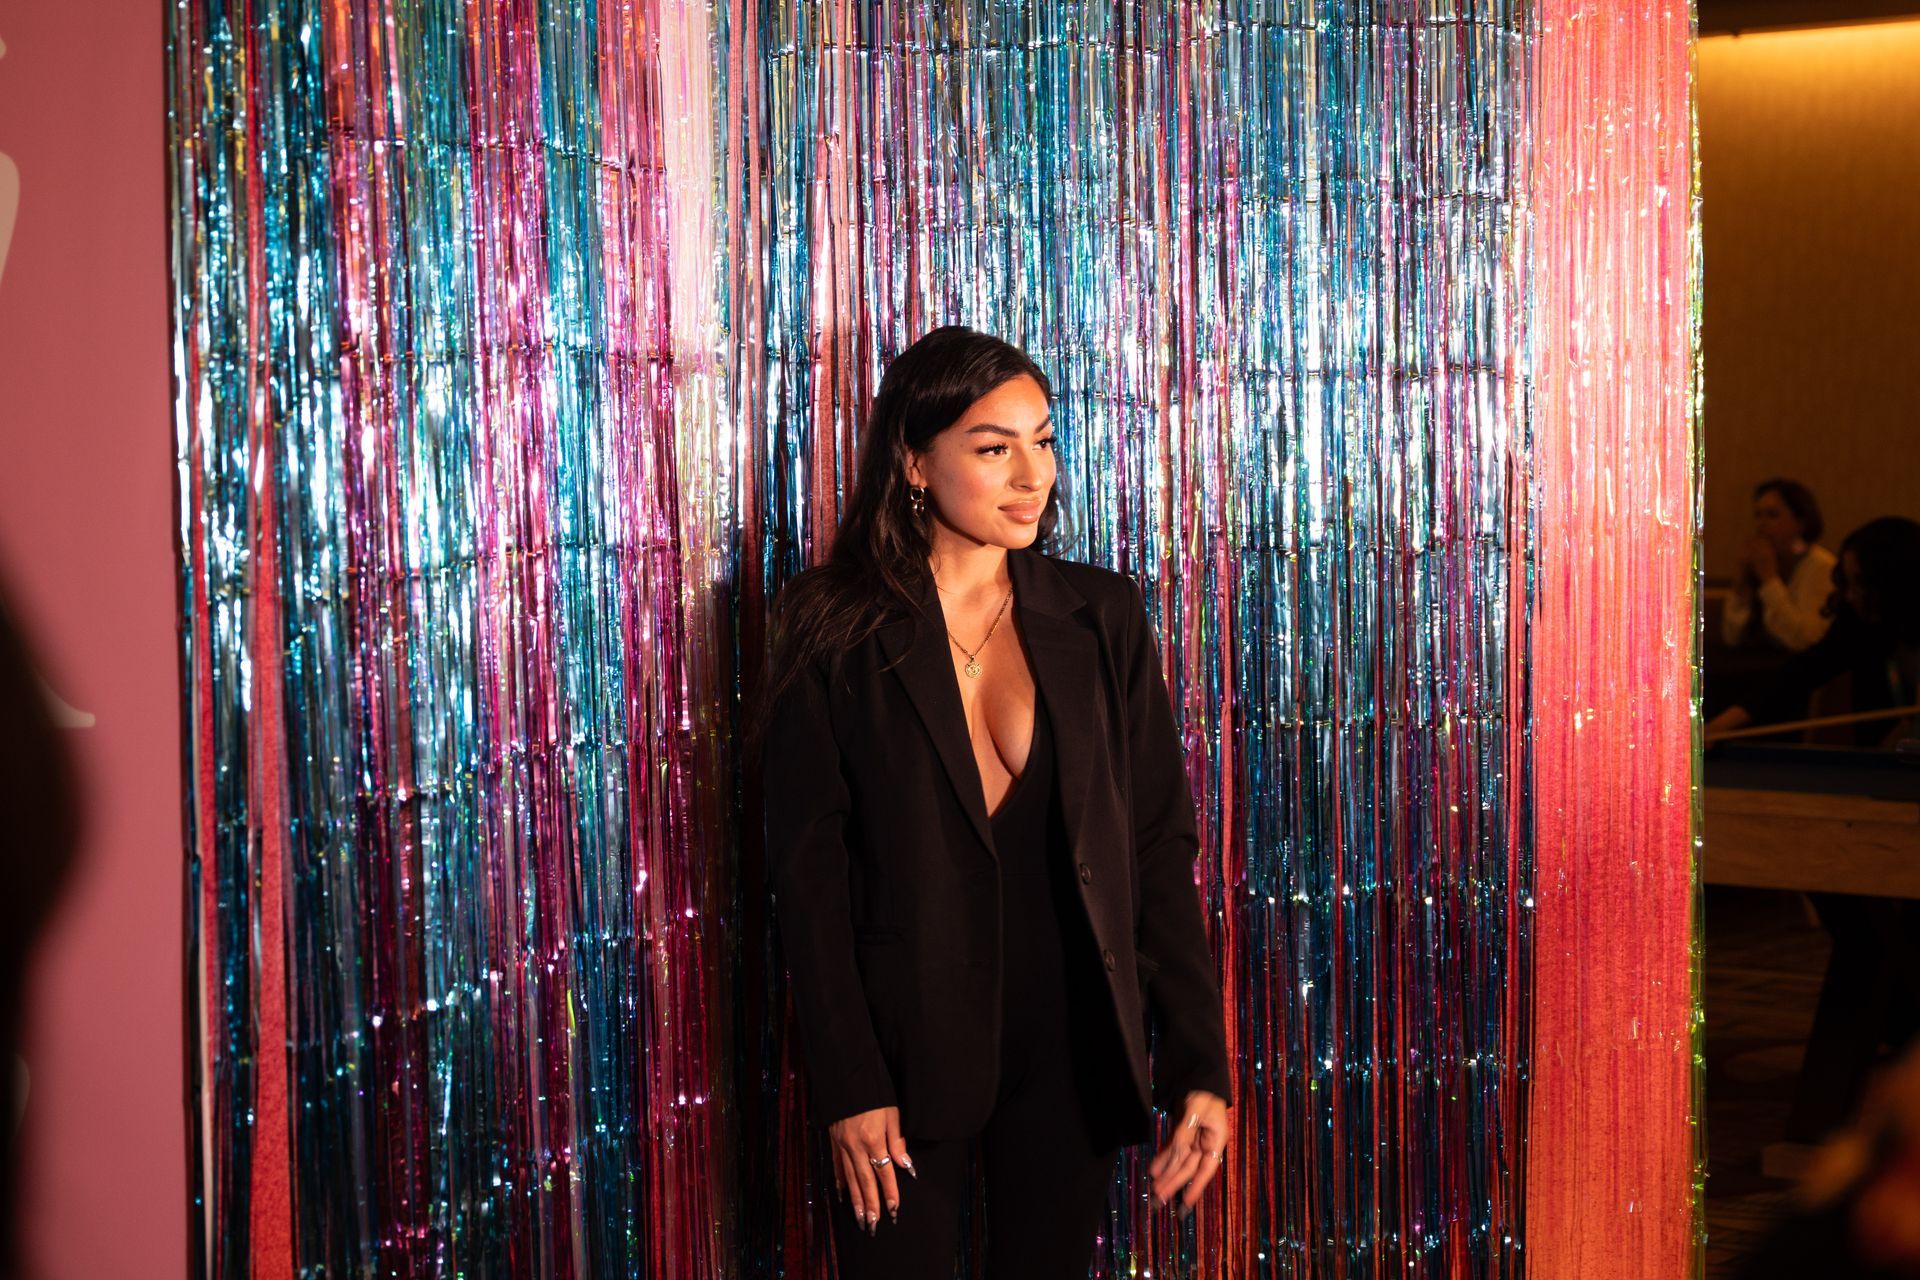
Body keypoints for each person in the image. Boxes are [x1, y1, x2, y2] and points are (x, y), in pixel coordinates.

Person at [749, 325, 1233, 1277]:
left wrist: (1197, 1067)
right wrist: (850, 1083)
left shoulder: (1103, 615)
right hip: (902, 1054)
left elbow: (1152, 848)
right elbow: (807, 881)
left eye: (1042, 441)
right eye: (992, 446)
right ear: (915, 462)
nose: (1031, 475)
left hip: (1074, 1048)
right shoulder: (829, 624)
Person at [1706, 516, 1920, 747]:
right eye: (1847, 582)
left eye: (1861, 582)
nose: (1850, 595)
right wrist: (1719, 726)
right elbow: (1800, 673)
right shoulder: (1859, 621)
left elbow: (1801, 636)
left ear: (1894, 582)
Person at [1720, 478, 1838, 654]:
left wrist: (1770, 581)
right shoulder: (1761, 562)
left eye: (1772, 515)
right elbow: (1731, 637)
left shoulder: (1821, 566)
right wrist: (1741, 582)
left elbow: (1805, 640)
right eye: (1758, 515)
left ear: (1800, 522)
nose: (1762, 524)